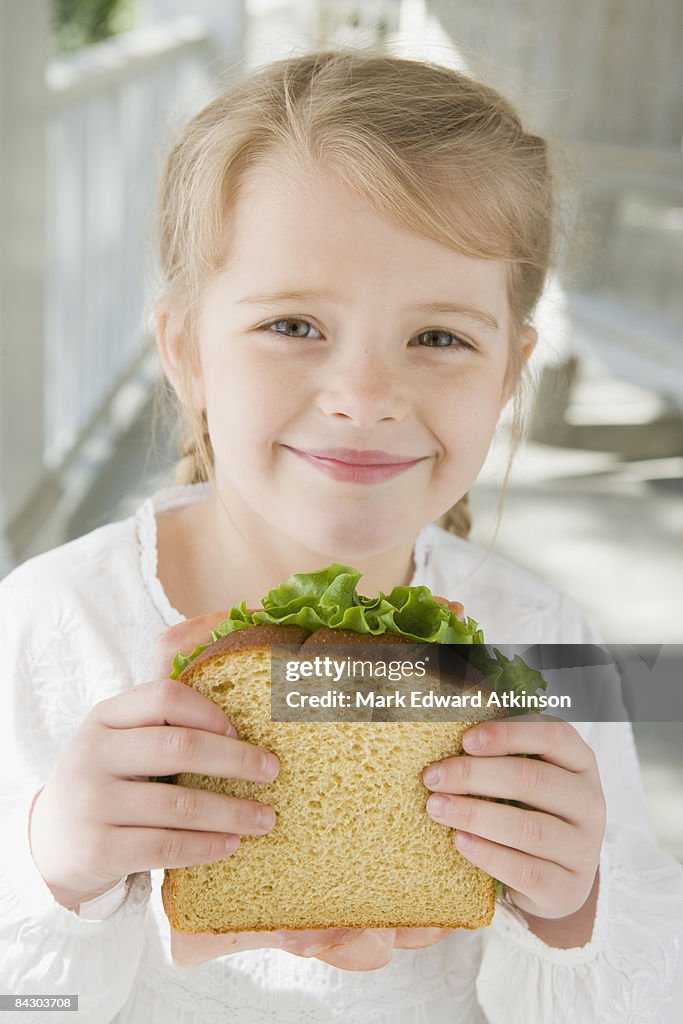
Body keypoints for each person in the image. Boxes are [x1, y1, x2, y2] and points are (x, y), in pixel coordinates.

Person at [1, 48, 682, 1024]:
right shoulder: (49, 624)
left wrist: (573, 912)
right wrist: (54, 871)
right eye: (292, 325)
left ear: (506, 373)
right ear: (187, 353)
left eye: (438, 337)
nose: (364, 398)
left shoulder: (543, 643)